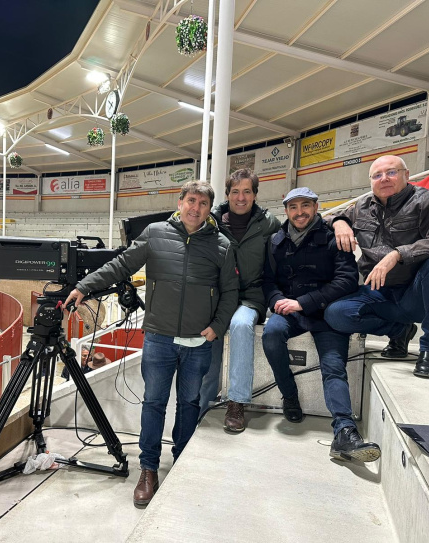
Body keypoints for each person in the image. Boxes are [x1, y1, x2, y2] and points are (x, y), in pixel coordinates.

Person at [64, 180, 238, 507]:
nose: (195, 208)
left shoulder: (222, 246)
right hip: (159, 337)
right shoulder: (156, 233)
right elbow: (121, 264)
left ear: (209, 208)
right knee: (154, 403)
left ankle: (183, 459)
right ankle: (148, 469)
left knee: (189, 403)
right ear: (180, 201)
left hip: (198, 341)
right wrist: (84, 286)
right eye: (190, 200)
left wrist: (217, 327)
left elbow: (230, 292)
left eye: (202, 203)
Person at [262, 187, 380, 462]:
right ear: (286, 211)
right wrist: (279, 300)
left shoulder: (334, 236)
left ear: (316, 207)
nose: (299, 212)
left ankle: (344, 431)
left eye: (305, 205)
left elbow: (347, 280)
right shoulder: (275, 241)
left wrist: (302, 302)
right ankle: (289, 395)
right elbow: (268, 283)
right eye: (293, 207)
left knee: (333, 368)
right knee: (271, 333)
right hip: (291, 311)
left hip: (325, 313)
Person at [323, 155, 429, 379]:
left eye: (391, 172)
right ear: (371, 182)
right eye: (377, 175)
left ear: (406, 175)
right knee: (335, 314)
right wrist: (339, 222)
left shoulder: (428, 201)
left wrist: (398, 254)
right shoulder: (361, 207)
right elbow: (328, 218)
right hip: (378, 292)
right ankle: (400, 331)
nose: (384, 179)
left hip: (414, 293)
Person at [198, 168, 281, 432]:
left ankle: (236, 401)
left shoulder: (269, 223)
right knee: (210, 336)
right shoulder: (211, 222)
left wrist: (340, 222)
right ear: (228, 194)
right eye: (235, 191)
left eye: (247, 191)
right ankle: (203, 402)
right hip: (219, 296)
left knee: (241, 326)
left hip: (251, 297)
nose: (241, 197)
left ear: (255, 195)